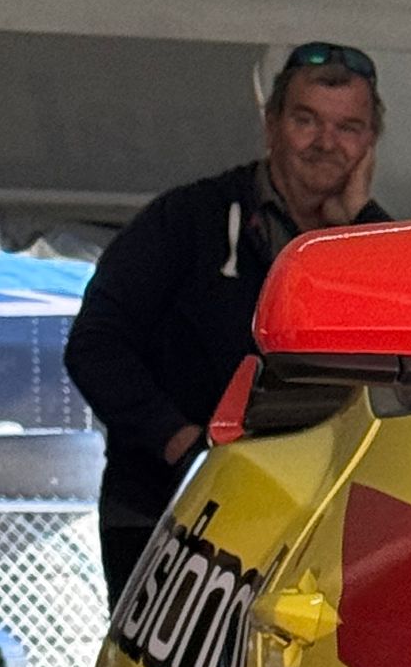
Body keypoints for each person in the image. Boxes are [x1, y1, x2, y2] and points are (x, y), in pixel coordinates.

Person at [68, 43, 390, 596]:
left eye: (349, 128)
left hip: (315, 521)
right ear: (271, 126)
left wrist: (360, 224)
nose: (326, 143)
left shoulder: (374, 242)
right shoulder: (188, 218)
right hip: (169, 515)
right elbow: (95, 345)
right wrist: (179, 443)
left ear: (371, 144)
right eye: (306, 121)